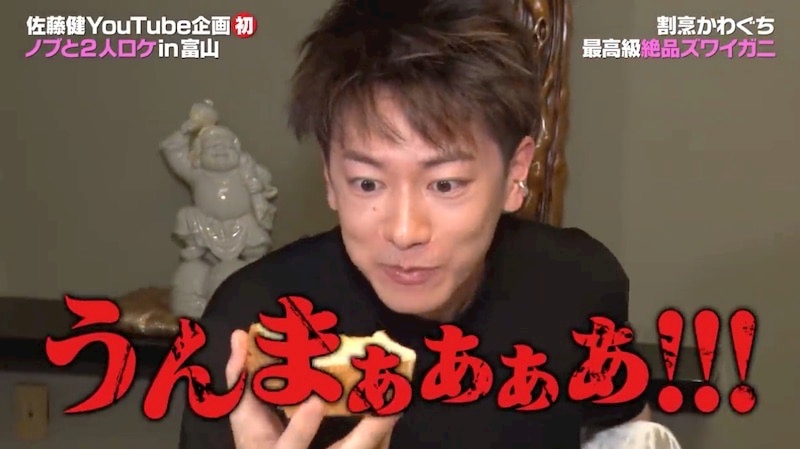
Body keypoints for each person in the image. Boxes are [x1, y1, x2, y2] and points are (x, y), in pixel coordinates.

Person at [178, 0, 651, 448]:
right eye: (367, 183)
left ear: (515, 174)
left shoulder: (579, 284)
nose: (404, 232)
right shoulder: (254, 324)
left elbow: (628, 431)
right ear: (329, 177)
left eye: (445, 184)